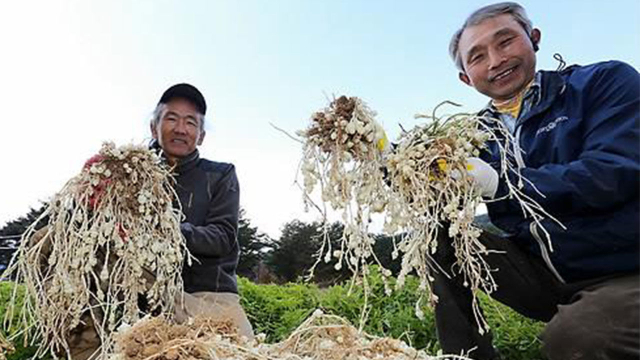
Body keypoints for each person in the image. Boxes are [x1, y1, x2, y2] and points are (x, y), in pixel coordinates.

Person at [434, 2, 639, 359]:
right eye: (478, 56)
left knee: (575, 338)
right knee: (438, 236)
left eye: (505, 42)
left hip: (624, 269)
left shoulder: (601, 83)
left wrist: (503, 184)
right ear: (466, 77)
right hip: (544, 275)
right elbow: (434, 188)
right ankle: (466, 355)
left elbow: (613, 171)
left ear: (534, 39)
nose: (496, 60)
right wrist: (390, 163)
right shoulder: (475, 137)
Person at [149, 83, 254, 340]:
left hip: (209, 299)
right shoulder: (134, 176)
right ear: (154, 127)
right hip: (149, 297)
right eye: (171, 118)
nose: (181, 129)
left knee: (245, 352)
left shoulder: (220, 175)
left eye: (191, 122)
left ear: (201, 135)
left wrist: (168, 230)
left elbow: (222, 236)